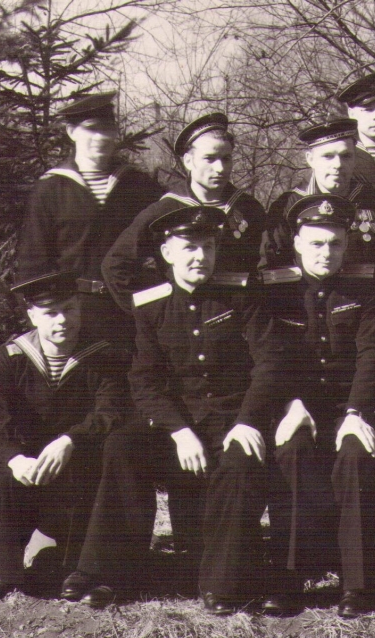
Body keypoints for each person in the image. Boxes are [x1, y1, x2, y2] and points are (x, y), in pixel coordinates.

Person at [65, 206, 277, 612]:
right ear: (167, 253)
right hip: (177, 427)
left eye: (208, 247)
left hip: (231, 421)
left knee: (239, 462)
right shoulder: (151, 305)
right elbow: (144, 381)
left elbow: (268, 363)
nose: (200, 257)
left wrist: (248, 421)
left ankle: (222, 585)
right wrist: (179, 431)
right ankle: (107, 573)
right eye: (189, 248)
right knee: (123, 446)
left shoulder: (242, 295)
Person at [263, 194, 375, 618]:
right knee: (292, 452)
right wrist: (291, 404)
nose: (326, 252)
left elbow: (373, 354)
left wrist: (355, 412)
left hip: (348, 405)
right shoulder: (274, 291)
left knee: (356, 454)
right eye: (316, 243)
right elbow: (268, 356)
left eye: (335, 243)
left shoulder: (366, 289)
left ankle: (356, 585)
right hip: (295, 406)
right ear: (297, 243)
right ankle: (288, 579)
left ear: (347, 245)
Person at [0, 271, 127, 602]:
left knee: (98, 480)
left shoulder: (102, 356)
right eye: (50, 313)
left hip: (80, 459)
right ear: (32, 316)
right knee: (2, 484)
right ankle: (6, 572)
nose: (62, 320)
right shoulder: (11, 359)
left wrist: (70, 440)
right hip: (27, 463)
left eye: (69, 309)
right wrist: (16, 459)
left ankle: (79, 570)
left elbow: (110, 410)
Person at [15, 91, 163, 348]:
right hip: (74, 314)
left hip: (131, 309)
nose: (101, 137)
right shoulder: (51, 189)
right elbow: (33, 262)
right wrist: (50, 315)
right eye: (91, 129)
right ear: (71, 132)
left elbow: (164, 246)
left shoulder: (137, 186)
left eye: (108, 129)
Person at [102, 112, 266, 313]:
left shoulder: (249, 209)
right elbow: (115, 265)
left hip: (238, 318)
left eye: (226, 158)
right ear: (188, 161)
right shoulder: (165, 209)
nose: (220, 168)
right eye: (209, 159)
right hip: (182, 319)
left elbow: (265, 268)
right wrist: (151, 314)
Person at [262, 119, 375, 275]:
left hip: (363, 289)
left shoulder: (374, 201)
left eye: (346, 156)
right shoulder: (287, 205)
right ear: (310, 159)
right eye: (328, 156)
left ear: (355, 159)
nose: (338, 164)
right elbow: (273, 268)